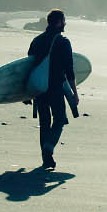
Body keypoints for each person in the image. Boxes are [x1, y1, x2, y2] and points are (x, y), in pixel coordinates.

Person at [28, 9, 79, 169]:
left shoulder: (36, 40)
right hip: (56, 87)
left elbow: (28, 67)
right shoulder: (63, 42)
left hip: (39, 88)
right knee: (59, 119)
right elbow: (69, 70)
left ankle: (46, 157)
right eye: (64, 20)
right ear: (58, 22)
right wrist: (74, 93)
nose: (65, 23)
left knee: (44, 122)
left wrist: (25, 92)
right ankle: (48, 149)